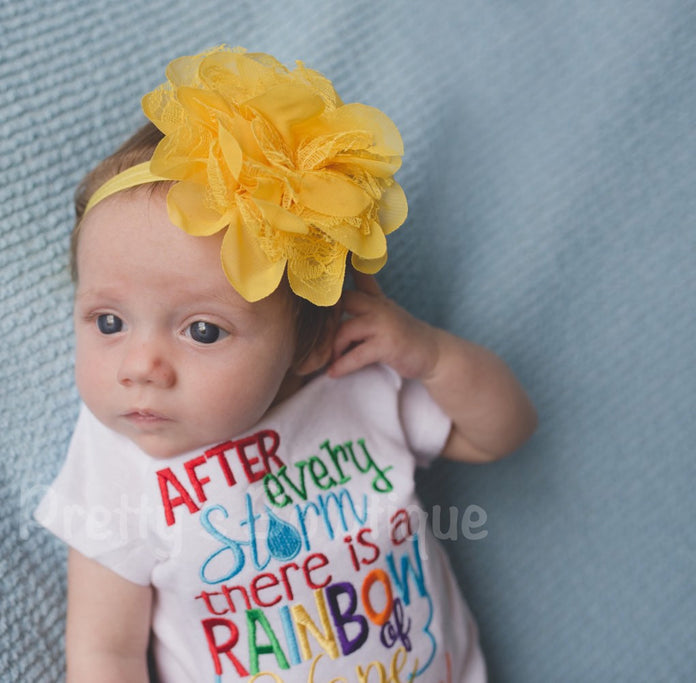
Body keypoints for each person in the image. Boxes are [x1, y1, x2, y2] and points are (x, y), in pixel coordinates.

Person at [35, 47, 536, 683]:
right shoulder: (116, 459)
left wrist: (432, 355)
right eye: (109, 323)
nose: (141, 366)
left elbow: (507, 430)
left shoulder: (354, 383)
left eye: (203, 330)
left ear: (311, 341)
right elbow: (106, 652)